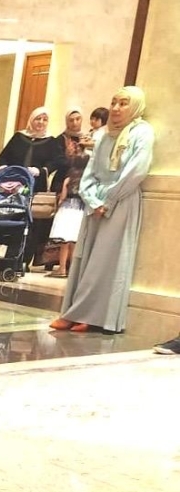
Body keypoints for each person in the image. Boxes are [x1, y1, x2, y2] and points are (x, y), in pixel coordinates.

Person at [50, 87, 153, 335]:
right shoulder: (105, 136)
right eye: (113, 102)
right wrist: (92, 198)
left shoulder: (142, 133)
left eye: (123, 103)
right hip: (95, 203)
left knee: (107, 260)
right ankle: (73, 311)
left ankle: (95, 316)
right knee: (84, 256)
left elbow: (136, 171)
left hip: (121, 202)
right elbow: (89, 172)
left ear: (136, 106)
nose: (116, 109)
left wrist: (108, 198)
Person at [0, 107, 65, 269]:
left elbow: (59, 161)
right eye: (37, 119)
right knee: (12, 219)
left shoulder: (51, 141)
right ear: (31, 120)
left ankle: (25, 259)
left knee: (31, 223)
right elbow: (3, 156)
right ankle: (9, 254)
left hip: (35, 187)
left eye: (44, 119)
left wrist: (42, 170)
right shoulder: (19, 137)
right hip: (13, 187)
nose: (40, 123)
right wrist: (3, 166)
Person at [47, 150, 87, 278]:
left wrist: (57, 206)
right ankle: (73, 269)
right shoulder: (86, 180)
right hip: (80, 211)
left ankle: (62, 268)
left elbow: (63, 196)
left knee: (64, 242)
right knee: (75, 241)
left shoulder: (68, 179)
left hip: (67, 209)